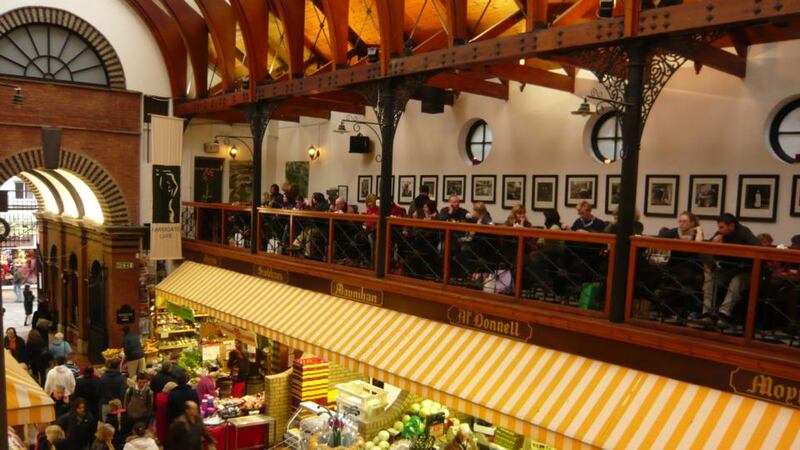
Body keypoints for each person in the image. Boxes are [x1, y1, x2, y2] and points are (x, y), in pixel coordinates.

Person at [700, 213, 761, 329]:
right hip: (728, 269)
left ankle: (724, 314)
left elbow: (758, 250)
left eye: (722, 227)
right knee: (711, 279)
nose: (719, 230)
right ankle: (707, 313)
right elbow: (704, 252)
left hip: (746, 271)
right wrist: (713, 247)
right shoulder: (720, 234)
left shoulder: (744, 232)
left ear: (732, 225)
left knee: (736, 281)